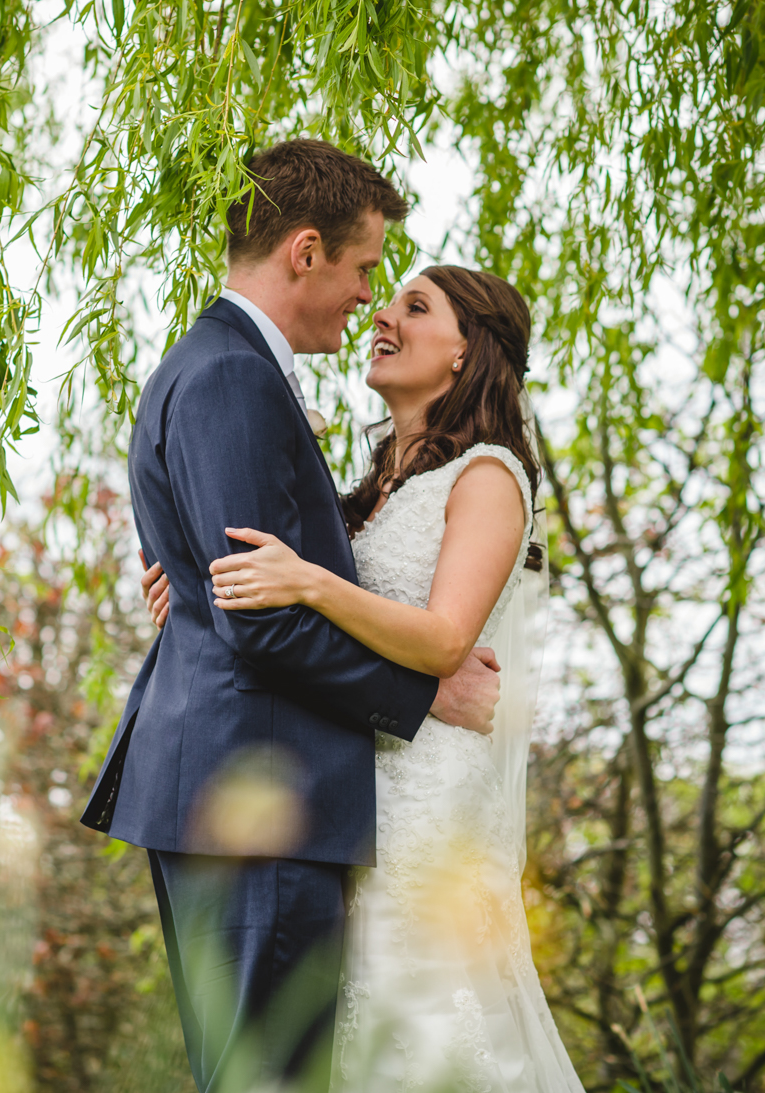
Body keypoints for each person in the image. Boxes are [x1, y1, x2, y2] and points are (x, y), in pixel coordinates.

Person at [78, 139, 503, 1093]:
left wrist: (192, 598)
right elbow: (261, 617)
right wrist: (426, 694)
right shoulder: (234, 377)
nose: (369, 298)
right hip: (257, 790)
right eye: (363, 270)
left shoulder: (220, 365)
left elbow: (236, 588)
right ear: (305, 251)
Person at [140, 264, 585, 1093]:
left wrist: (308, 581)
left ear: (466, 353)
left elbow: (448, 638)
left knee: (425, 1017)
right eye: (387, 299)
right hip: (354, 788)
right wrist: (198, 592)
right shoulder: (371, 494)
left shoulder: (488, 477)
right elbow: (288, 622)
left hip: (429, 798)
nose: (382, 314)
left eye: (415, 307)